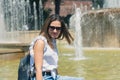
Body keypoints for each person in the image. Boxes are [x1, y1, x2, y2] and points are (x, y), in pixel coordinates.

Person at [29, 14, 84, 80]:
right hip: (43, 77)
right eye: (52, 27)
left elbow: (53, 66)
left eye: (58, 28)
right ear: (47, 27)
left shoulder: (52, 41)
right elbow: (38, 69)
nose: (55, 31)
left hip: (53, 77)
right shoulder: (40, 42)